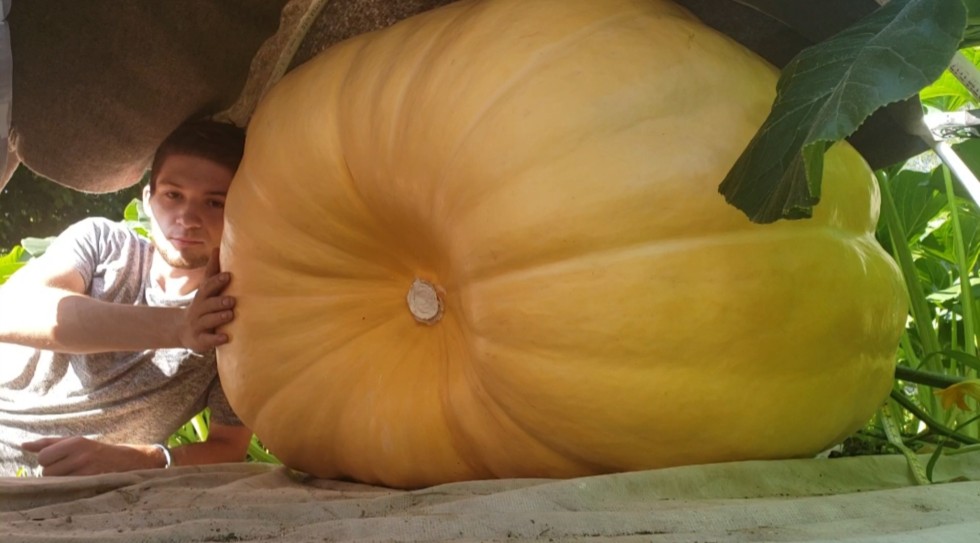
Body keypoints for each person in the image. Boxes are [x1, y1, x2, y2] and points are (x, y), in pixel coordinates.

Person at [0, 119, 252, 476]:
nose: (187, 218)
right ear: (148, 200)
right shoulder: (103, 244)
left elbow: (229, 445)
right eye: (173, 195)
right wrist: (179, 326)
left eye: (214, 202)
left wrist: (143, 459)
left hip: (63, 490)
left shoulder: (235, 320)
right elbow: (11, 311)